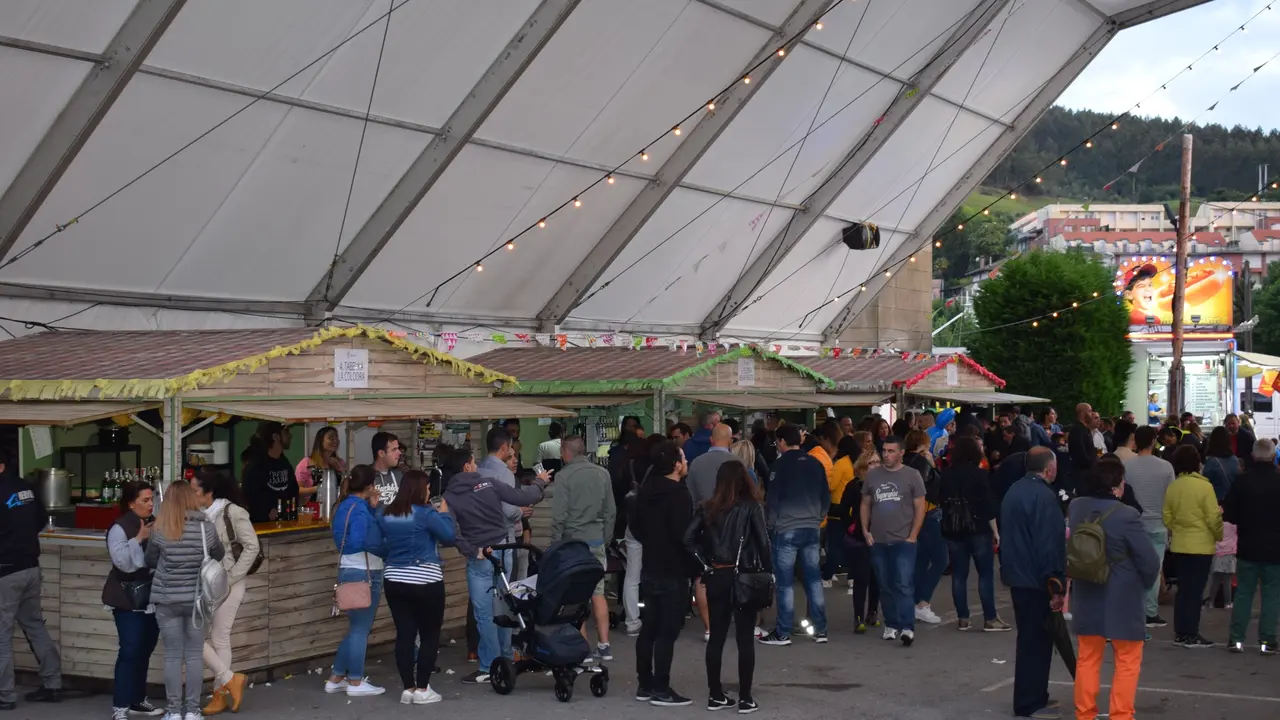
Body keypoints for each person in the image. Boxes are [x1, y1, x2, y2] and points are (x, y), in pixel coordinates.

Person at [444, 446, 547, 685]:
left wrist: (471, 550)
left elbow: (450, 532)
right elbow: (524, 497)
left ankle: (489, 666)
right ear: (466, 467)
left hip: (480, 556)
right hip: (503, 549)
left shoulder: (450, 497)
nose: (477, 466)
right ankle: (506, 657)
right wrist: (540, 482)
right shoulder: (489, 483)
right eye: (474, 462)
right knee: (504, 606)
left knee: (484, 613)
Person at [1069, 458, 1161, 720]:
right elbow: (1149, 561)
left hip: (1087, 591)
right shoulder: (1127, 514)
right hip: (1123, 594)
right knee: (1128, 659)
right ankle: (1121, 714)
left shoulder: (1077, 508)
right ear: (1117, 485)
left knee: (1087, 656)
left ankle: (1084, 713)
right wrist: (1143, 584)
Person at [683, 461, 771, 715]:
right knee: (745, 639)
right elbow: (763, 543)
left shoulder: (707, 508)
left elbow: (687, 539)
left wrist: (706, 564)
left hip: (717, 574)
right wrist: (768, 572)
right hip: (743, 574)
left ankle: (715, 694)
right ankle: (745, 698)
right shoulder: (752, 507)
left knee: (717, 637)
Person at [145, 480, 225, 720]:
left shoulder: (159, 528)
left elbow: (150, 560)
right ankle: (191, 711)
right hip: (197, 601)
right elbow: (219, 554)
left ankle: (172, 712)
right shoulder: (206, 528)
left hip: (166, 600)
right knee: (193, 655)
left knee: (172, 655)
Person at [379, 470, 457, 705]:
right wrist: (444, 514)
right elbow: (449, 537)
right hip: (425, 580)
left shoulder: (387, 514)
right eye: (428, 487)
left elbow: (380, 544)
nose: (430, 491)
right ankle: (423, 688)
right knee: (429, 635)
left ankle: (408, 688)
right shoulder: (426, 514)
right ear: (419, 489)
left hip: (393, 579)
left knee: (404, 634)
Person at [1000, 447, 1066, 720]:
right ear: (1049, 468)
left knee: (1029, 639)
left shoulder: (1014, 490)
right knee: (1037, 641)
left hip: (1018, 575)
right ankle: (1030, 701)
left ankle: (1033, 696)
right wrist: (1056, 584)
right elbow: (1049, 545)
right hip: (1036, 578)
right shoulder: (1044, 497)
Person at [632, 441, 696, 707]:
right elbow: (685, 536)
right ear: (675, 464)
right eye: (683, 457)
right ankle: (661, 686)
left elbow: (635, 525)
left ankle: (644, 683)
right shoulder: (679, 494)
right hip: (673, 569)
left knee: (649, 627)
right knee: (667, 632)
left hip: (651, 565)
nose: (686, 461)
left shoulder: (647, 491)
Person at [191, 469, 257, 716]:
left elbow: (252, 546)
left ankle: (221, 693)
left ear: (209, 493)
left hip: (227, 583)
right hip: (204, 583)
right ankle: (230, 680)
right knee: (203, 636)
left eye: (195, 489)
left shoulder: (232, 512)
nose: (191, 493)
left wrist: (232, 577)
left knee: (218, 637)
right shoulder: (195, 515)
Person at [0, 450, 62, 712]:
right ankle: (52, 684)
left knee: (1, 636)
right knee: (34, 626)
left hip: (5, 572)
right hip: (30, 568)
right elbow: (39, 519)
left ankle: (5, 696)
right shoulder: (26, 488)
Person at [760, 424, 829, 646]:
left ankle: (783, 632)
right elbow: (825, 496)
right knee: (813, 579)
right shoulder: (815, 462)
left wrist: (771, 527)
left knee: (785, 583)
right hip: (811, 528)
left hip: (786, 528)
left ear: (781, 441)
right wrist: (817, 518)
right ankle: (820, 629)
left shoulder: (779, 466)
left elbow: (773, 500)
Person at [549, 435, 617, 662]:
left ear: (567, 452)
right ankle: (605, 645)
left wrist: (556, 544)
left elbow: (559, 516)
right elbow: (610, 512)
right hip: (596, 539)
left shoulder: (563, 476)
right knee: (598, 592)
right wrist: (605, 539)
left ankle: (583, 648)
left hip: (572, 544)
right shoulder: (602, 473)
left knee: (575, 596)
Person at [325, 465, 390, 697]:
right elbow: (362, 540)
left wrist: (372, 507)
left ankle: (336, 677)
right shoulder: (361, 510)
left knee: (355, 629)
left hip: (347, 570)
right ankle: (355, 681)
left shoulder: (344, 506)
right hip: (365, 572)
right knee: (361, 629)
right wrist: (386, 550)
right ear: (370, 486)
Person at [103, 481, 162, 719]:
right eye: (145, 500)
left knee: (145, 648)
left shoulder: (155, 523)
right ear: (131, 503)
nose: (150, 505)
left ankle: (137, 699)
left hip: (152, 595)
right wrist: (138, 539)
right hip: (128, 597)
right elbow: (124, 563)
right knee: (130, 649)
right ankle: (120, 705)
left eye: (152, 499)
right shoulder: (119, 528)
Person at [860, 436, 926, 646]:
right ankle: (891, 624)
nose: (886, 455)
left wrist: (913, 535)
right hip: (878, 540)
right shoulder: (873, 475)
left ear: (901, 453)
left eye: (891, 451)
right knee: (885, 584)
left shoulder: (912, 475)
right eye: (884, 451)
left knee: (903, 583)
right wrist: (865, 530)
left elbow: (920, 507)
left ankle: (907, 627)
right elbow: (865, 503)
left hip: (903, 541)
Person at [938, 437, 1008, 632]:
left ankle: (963, 617)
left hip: (953, 528)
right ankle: (990, 618)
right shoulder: (979, 474)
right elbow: (988, 504)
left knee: (959, 574)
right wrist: (995, 531)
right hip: (978, 528)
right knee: (985, 574)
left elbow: (940, 498)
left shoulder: (947, 474)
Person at [1162, 445, 1223, 649]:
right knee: (1195, 591)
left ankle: (1181, 632)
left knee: (1183, 590)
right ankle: (1191, 633)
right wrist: (1218, 534)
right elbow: (1213, 517)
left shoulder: (1174, 486)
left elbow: (1167, 516)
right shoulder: (1205, 487)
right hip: (1201, 545)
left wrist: (1177, 528)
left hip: (1180, 544)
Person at [1223, 438, 1280, 654]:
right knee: (1272, 595)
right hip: (1275, 549)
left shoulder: (1242, 481)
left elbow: (1230, 514)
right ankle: (1267, 641)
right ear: (1273, 456)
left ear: (1253, 456)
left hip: (1247, 546)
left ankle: (1236, 639)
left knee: (1244, 593)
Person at [1121, 426, 1176, 628]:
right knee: (1154, 569)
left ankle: (1133, 609)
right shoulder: (1166, 467)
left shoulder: (1127, 466)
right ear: (1154, 441)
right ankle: (1150, 611)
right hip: (1158, 523)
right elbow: (1171, 497)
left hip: (1133, 523)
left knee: (1133, 568)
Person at [903, 429, 946, 625]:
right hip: (928, 514)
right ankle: (923, 603)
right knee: (940, 559)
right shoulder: (922, 462)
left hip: (910, 516)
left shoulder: (903, 462)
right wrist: (933, 465)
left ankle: (914, 602)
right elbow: (933, 488)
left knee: (920, 560)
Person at [839, 449, 882, 632]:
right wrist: (852, 526)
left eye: (878, 462)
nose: (876, 465)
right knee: (861, 578)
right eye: (872, 462)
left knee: (876, 579)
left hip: (880, 537)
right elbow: (842, 509)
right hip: (859, 538)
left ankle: (872, 612)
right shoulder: (854, 486)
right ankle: (858, 617)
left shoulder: (885, 484)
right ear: (863, 466)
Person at [241, 421, 299, 523]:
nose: (290, 435)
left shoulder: (284, 462)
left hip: (284, 522)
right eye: (286, 432)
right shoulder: (256, 464)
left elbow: (293, 490)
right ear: (275, 436)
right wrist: (266, 511)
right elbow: (250, 496)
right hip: (262, 525)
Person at [823, 434, 858, 584]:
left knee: (835, 545)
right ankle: (852, 577)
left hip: (837, 510)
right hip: (853, 511)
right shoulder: (857, 463)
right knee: (853, 546)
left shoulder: (841, 463)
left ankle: (827, 576)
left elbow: (831, 486)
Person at [295, 426, 343, 498]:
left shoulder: (340, 462)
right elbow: (297, 490)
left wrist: (340, 470)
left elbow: (347, 489)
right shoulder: (306, 463)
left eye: (337, 437)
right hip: (313, 507)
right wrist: (318, 489)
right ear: (320, 441)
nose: (336, 441)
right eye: (331, 438)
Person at [1202, 426, 1239, 503]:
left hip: (1217, 500)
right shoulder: (1235, 459)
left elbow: (1205, 482)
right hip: (1233, 501)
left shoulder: (1211, 462)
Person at [370, 432, 404, 507]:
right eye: (394, 449)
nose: (399, 453)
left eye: (398, 448)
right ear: (381, 453)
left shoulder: (400, 475)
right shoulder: (365, 476)